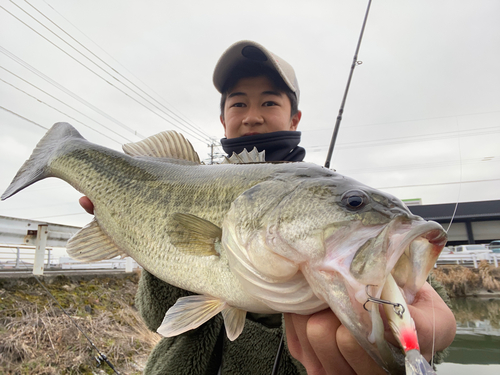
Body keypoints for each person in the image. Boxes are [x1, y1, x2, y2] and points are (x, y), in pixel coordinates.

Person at [79, 40, 456, 374]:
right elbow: (158, 317)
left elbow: (391, 267)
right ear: (223, 118)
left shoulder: (326, 190)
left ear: (295, 118)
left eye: (269, 102)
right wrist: (127, 226)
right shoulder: (187, 180)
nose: (252, 115)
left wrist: (418, 321)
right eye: (238, 102)